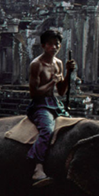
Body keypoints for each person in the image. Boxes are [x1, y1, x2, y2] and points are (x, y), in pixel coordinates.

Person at [26, 29, 76, 187]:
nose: (54, 47)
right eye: (50, 44)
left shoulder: (59, 63)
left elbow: (62, 91)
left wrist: (68, 74)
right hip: (40, 105)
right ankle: (38, 167)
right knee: (47, 130)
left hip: (55, 103)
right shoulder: (36, 65)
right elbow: (34, 93)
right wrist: (52, 82)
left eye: (57, 44)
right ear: (43, 45)